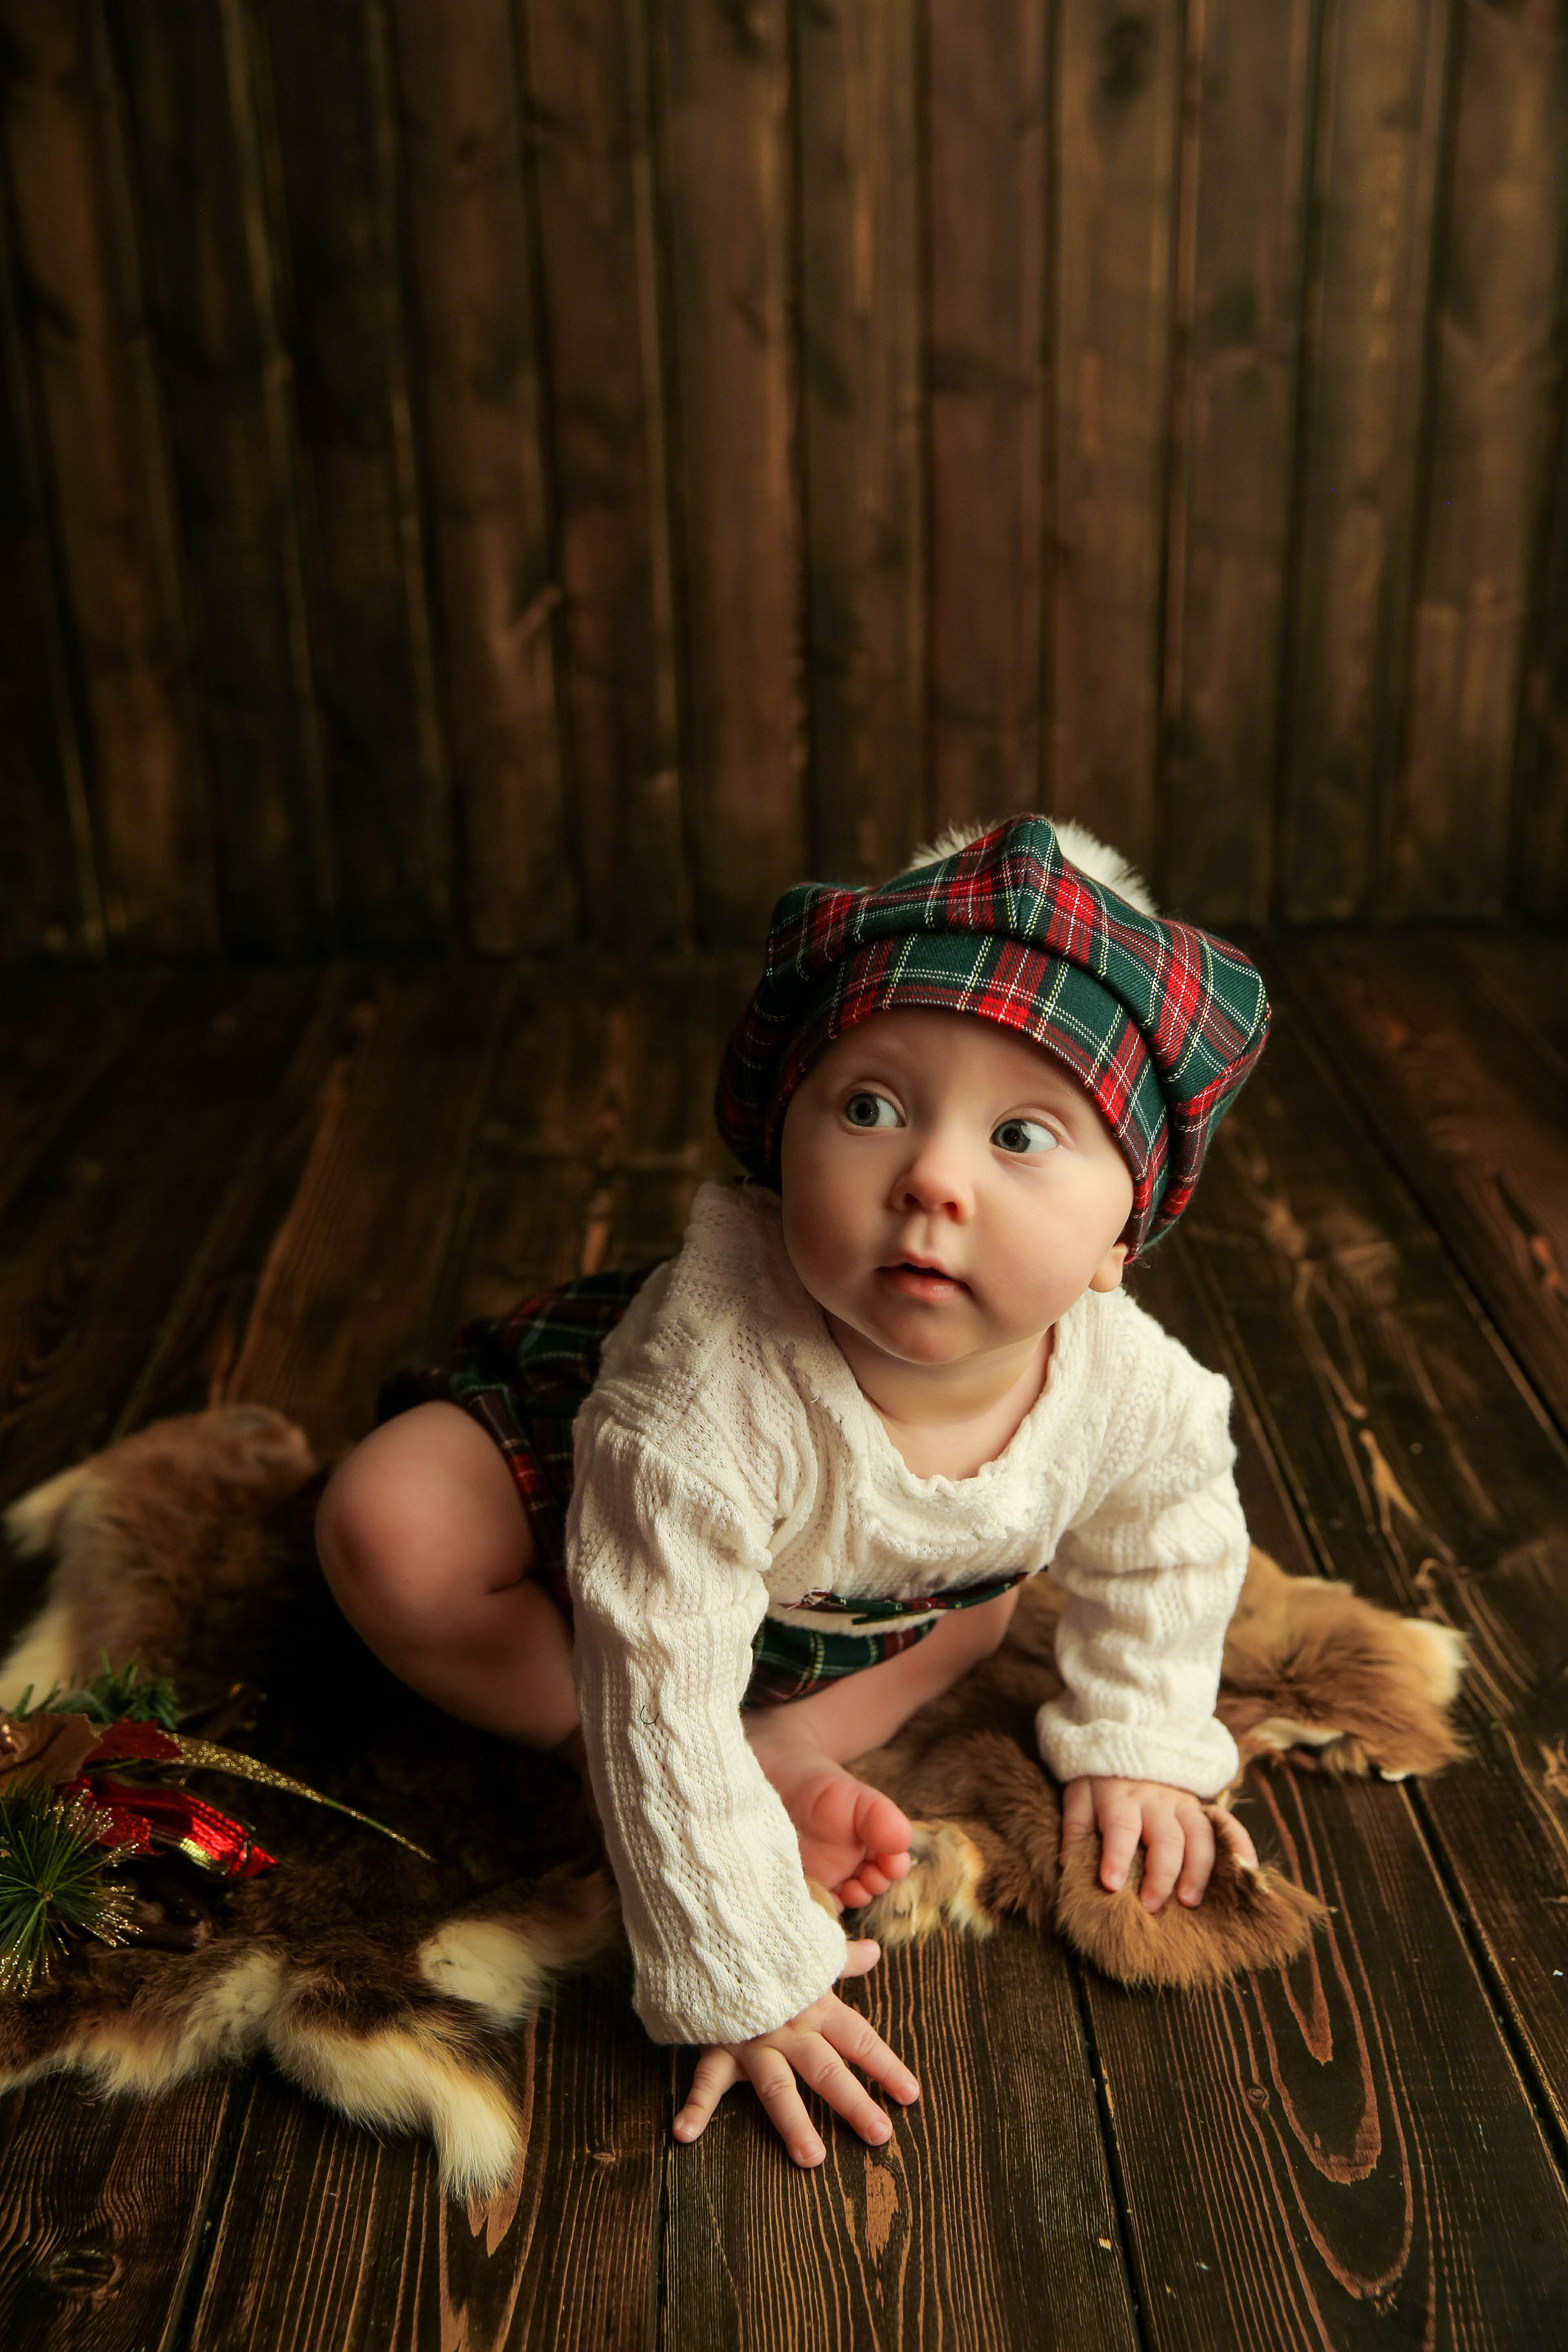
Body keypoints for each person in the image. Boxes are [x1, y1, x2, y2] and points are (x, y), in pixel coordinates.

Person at [317, 813, 1272, 2171]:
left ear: (1123, 1235)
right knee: (386, 1531)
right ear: (779, 1141)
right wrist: (742, 1959)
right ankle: (731, 1762)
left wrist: (1135, 1730)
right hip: (568, 1502)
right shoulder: (704, 1385)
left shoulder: (1134, 1391)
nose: (930, 1178)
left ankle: (772, 1741)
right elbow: (648, 1662)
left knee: (986, 1615)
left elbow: (1174, 1537)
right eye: (869, 1107)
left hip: (839, 1591)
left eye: (1018, 1134)